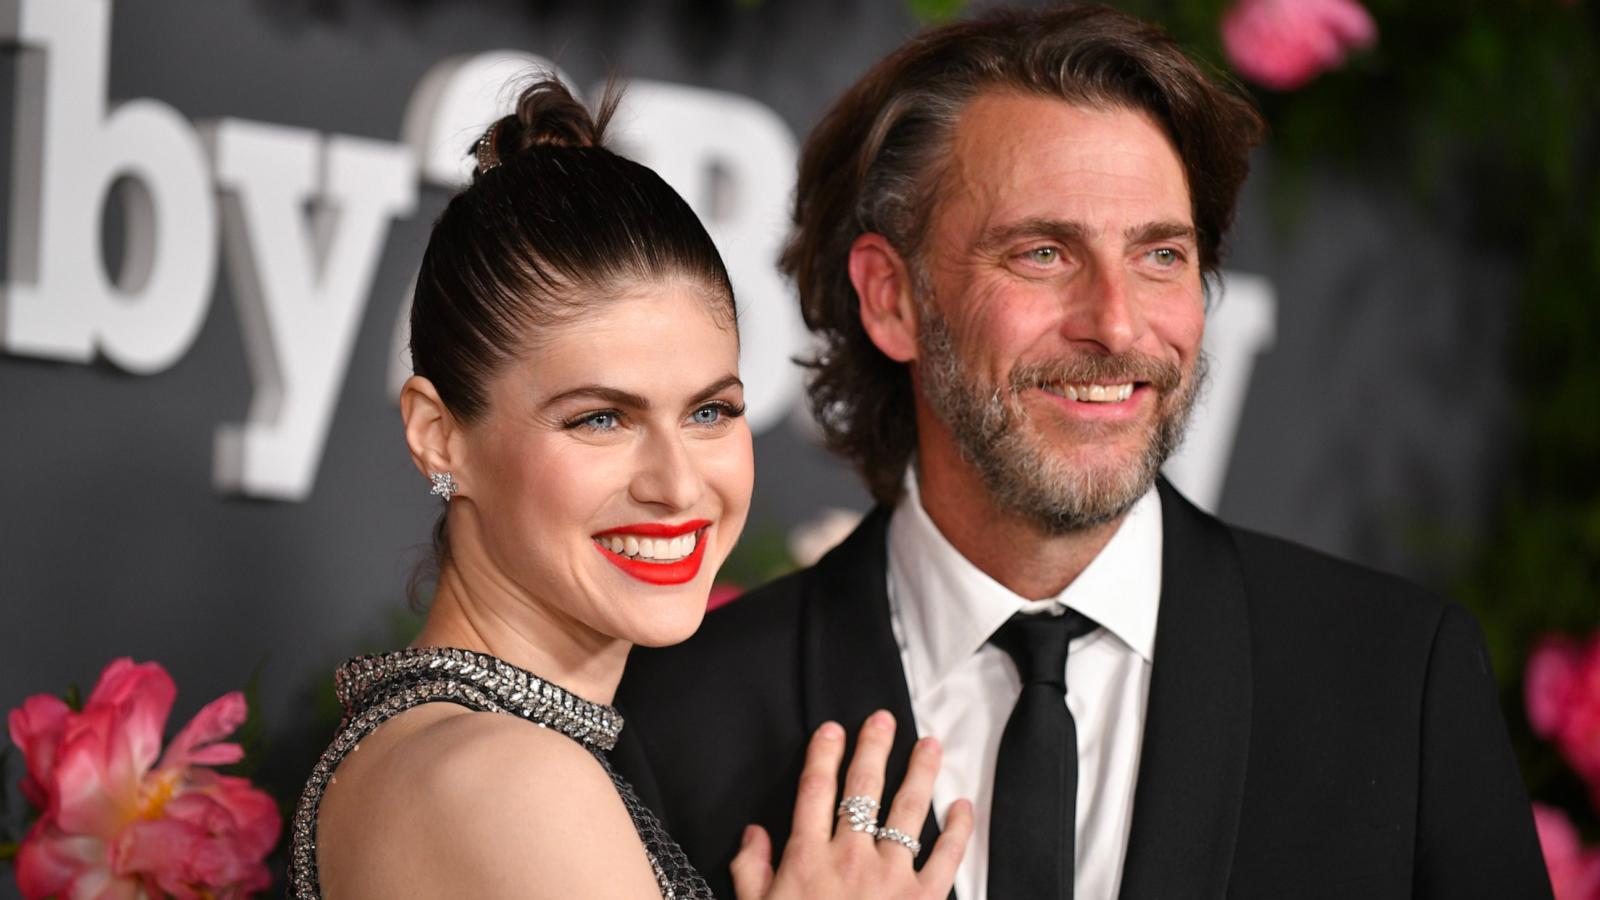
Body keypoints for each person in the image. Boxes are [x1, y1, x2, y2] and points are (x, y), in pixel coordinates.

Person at [614, 6, 1554, 900]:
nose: (1117, 322)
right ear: (891, 298)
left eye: (1160, 256)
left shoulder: (1395, 680)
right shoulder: (681, 721)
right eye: (1043, 254)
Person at [287, 78, 972, 899]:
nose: (678, 484)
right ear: (440, 435)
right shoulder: (514, 781)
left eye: (711, 411)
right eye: (600, 420)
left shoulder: (433, 745)